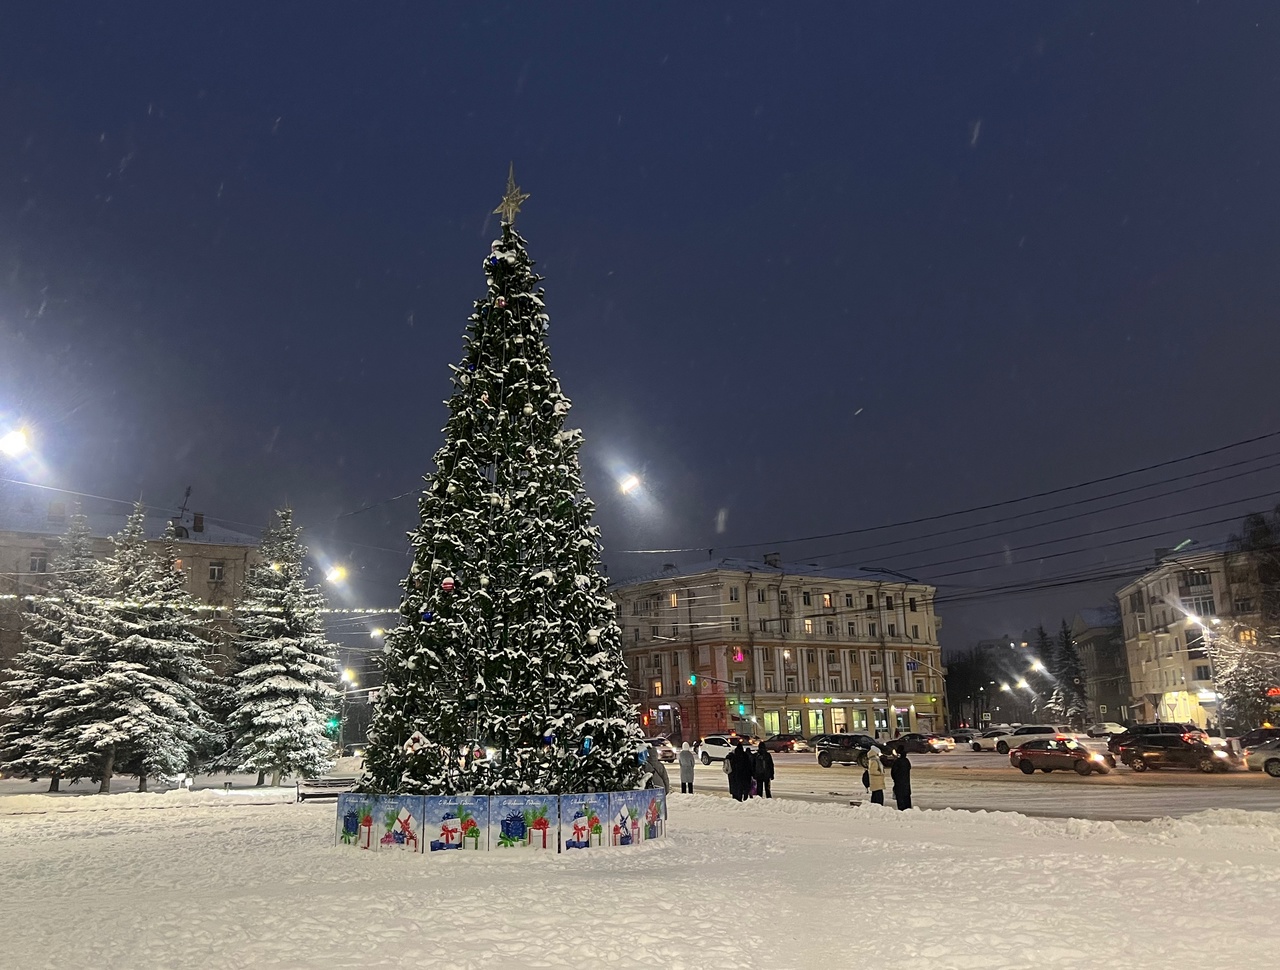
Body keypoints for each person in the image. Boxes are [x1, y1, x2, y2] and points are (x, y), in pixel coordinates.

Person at [890, 744, 912, 810]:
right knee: (906, 798)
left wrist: (895, 779)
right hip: (906, 783)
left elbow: (893, 772)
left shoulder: (897, 762)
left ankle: (902, 809)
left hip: (899, 783)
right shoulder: (906, 761)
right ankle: (908, 808)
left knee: (900, 799)